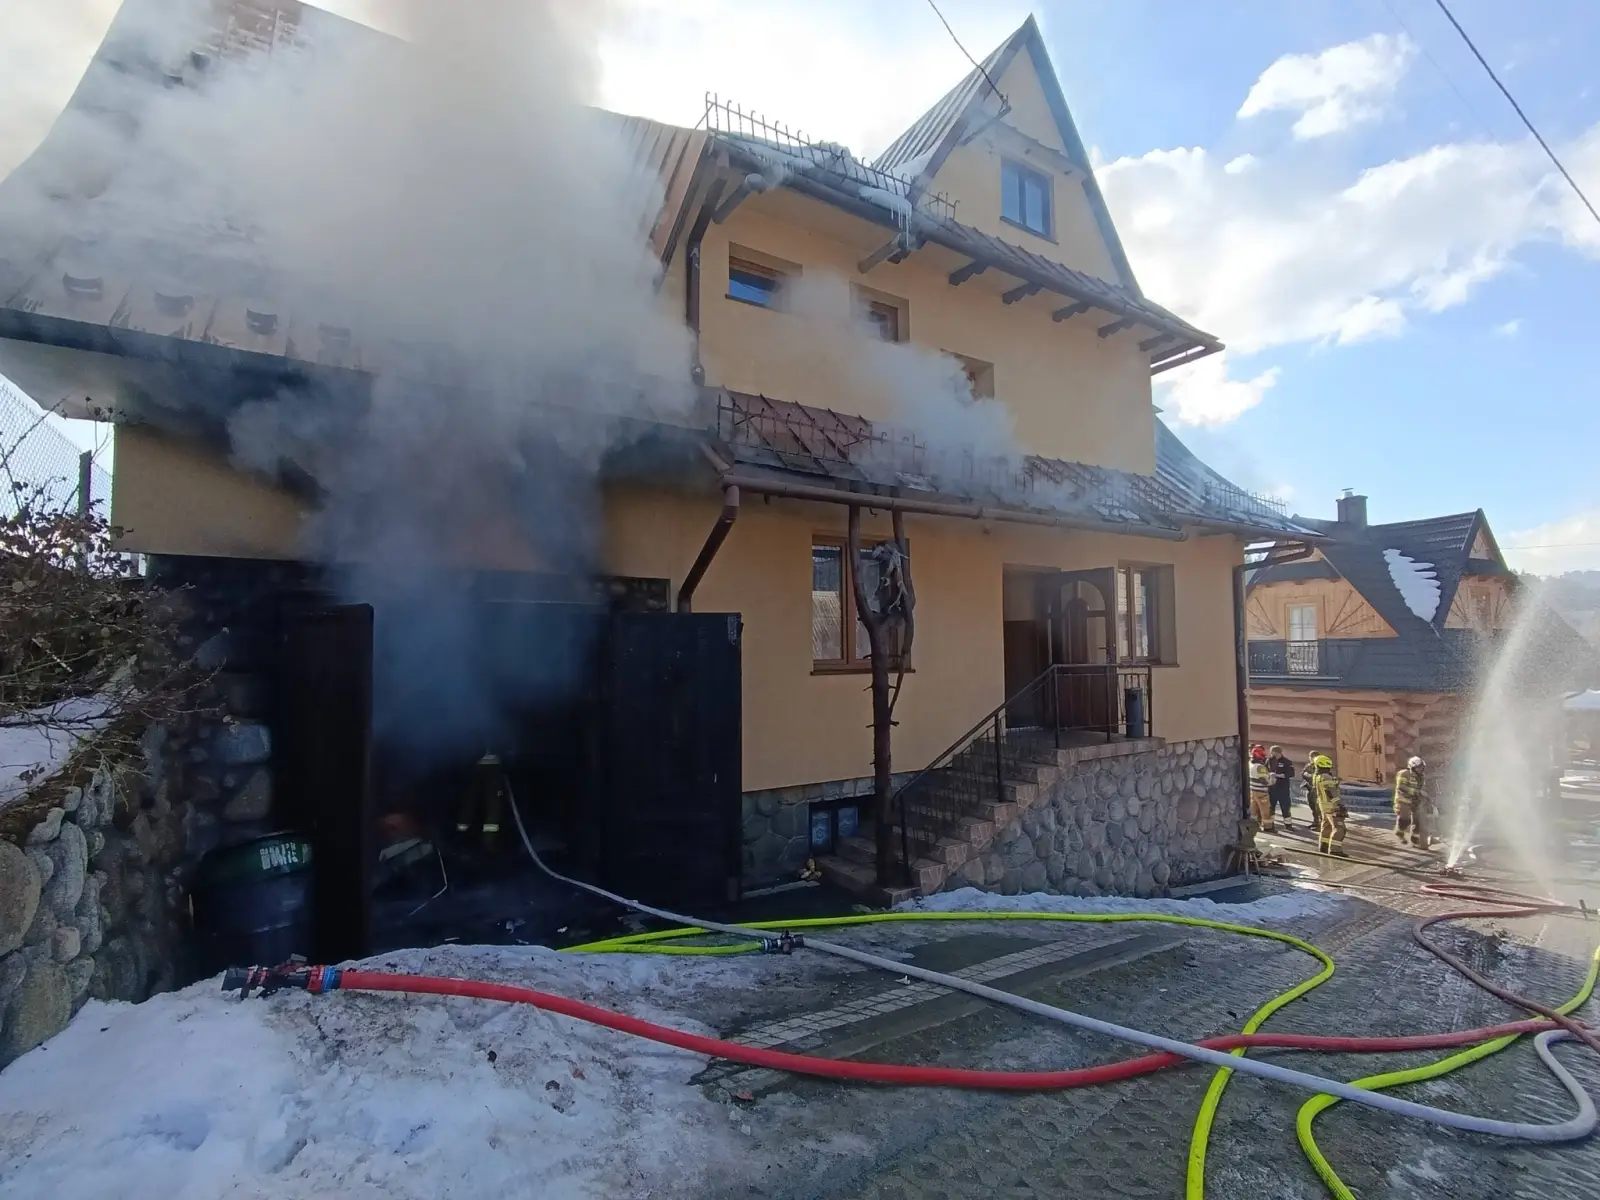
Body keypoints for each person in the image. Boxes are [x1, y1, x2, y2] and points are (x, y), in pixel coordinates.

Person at [1309, 754, 1347, 856]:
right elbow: (1331, 792)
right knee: (1340, 828)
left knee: (1326, 826)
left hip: (1323, 806)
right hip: (1331, 807)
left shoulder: (1317, 777)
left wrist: (1335, 782)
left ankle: (1323, 846)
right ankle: (1335, 850)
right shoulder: (1326, 777)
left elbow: (1324, 789)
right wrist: (1338, 806)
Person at [1393, 756, 1428, 848]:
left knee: (1418, 820)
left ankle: (1414, 838)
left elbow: (1422, 788)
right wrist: (1416, 792)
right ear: (1412, 767)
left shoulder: (1421, 777)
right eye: (1419, 767)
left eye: (1422, 768)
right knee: (1406, 819)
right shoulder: (1404, 773)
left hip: (1415, 800)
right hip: (1403, 800)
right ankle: (1399, 832)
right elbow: (1401, 786)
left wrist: (1424, 795)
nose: (1421, 770)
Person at [1248, 744, 1275, 832]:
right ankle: (1268, 827)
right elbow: (1265, 781)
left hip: (1252, 791)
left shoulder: (1250, 764)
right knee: (1265, 811)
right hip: (1261, 792)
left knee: (1254, 811)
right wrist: (1272, 779)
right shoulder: (1260, 767)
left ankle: (1254, 827)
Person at [1267, 745, 1295, 827]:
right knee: (1271, 807)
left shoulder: (1287, 762)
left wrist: (1277, 775)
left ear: (1277, 752)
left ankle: (1288, 824)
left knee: (1285, 806)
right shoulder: (1269, 760)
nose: (1271, 754)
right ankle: (1271, 824)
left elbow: (1291, 774)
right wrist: (1268, 775)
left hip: (1283, 788)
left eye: (1272, 752)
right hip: (1272, 788)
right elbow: (1265, 770)